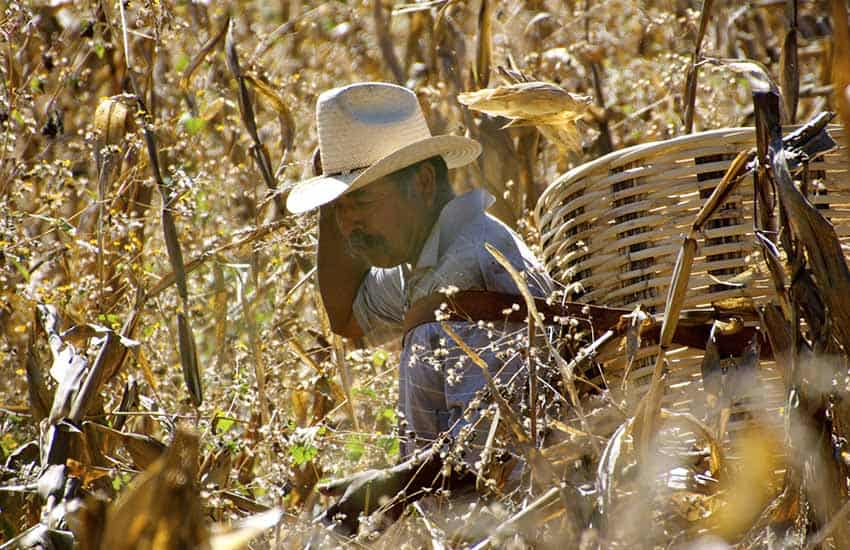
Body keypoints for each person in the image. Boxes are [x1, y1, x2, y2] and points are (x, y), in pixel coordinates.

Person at [286, 82, 554, 535]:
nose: (348, 224)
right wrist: (332, 195)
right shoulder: (429, 258)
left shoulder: (467, 267)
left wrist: (389, 485)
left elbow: (492, 451)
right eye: (340, 209)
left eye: (363, 202)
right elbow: (348, 318)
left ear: (424, 183)